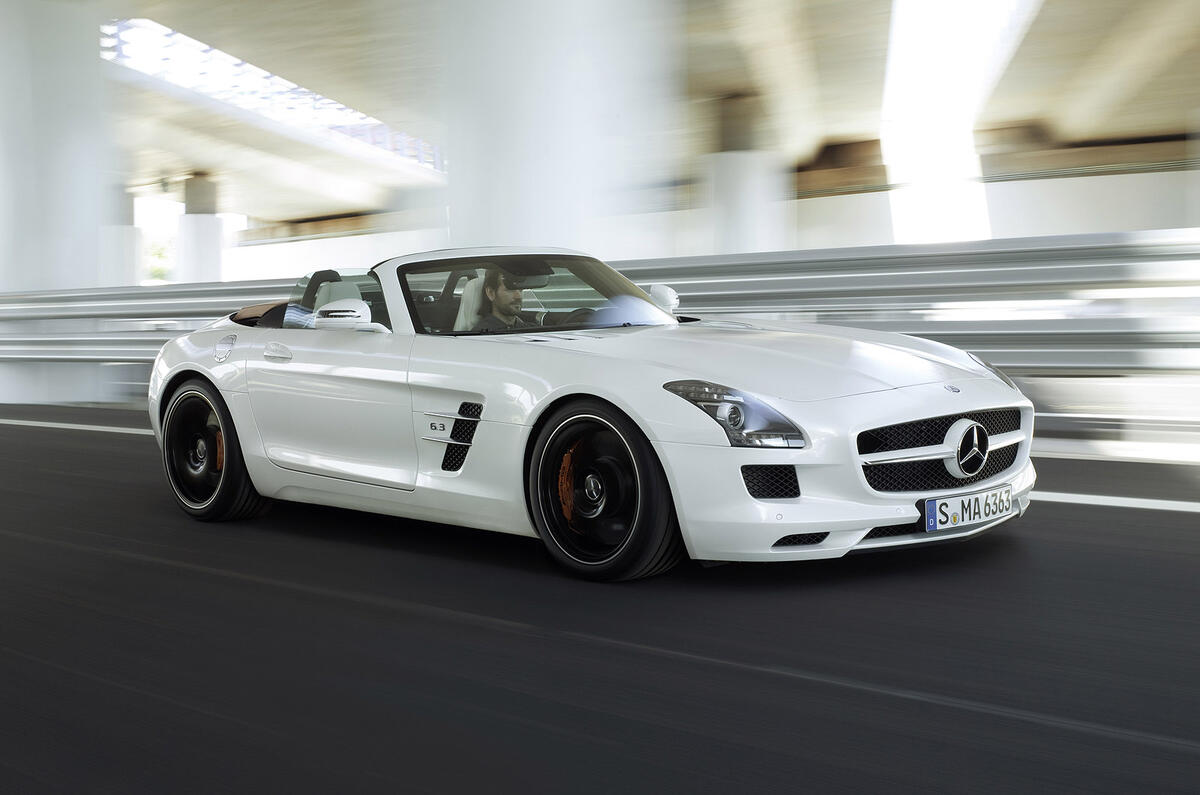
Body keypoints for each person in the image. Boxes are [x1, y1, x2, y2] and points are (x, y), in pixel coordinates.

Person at [472, 268, 538, 331]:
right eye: (510, 289)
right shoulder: (479, 335)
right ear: (491, 293)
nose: (518, 296)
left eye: (520, 289)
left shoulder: (531, 330)